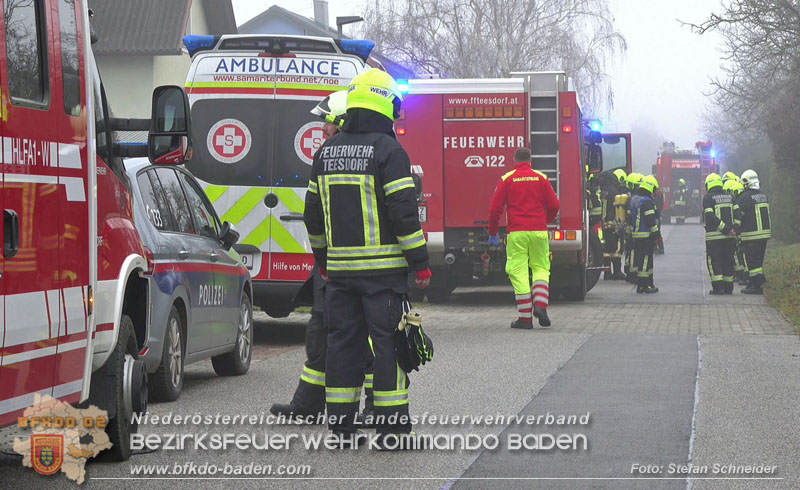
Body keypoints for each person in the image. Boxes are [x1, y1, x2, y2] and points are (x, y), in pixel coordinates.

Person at [304, 68, 431, 442]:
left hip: (340, 276)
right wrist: (420, 263)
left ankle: (342, 427)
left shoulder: (325, 152)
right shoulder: (390, 151)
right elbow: (403, 214)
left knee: (342, 345)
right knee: (388, 345)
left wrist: (323, 261)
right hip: (383, 276)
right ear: (385, 103)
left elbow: (313, 215)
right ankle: (392, 431)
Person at [271, 91, 376, 422]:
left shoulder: (364, 156)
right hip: (331, 265)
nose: (322, 130)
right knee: (320, 331)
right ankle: (309, 403)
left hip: (358, 267)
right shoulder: (331, 156)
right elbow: (315, 213)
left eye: (328, 123)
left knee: (363, 338)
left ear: (343, 122)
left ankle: (375, 405)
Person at [488, 147, 560, 328]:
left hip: (517, 232)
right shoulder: (541, 178)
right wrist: (545, 219)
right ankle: (541, 305)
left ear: (515, 160)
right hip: (539, 232)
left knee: (518, 271)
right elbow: (554, 204)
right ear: (530, 160)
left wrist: (493, 233)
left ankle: (525, 318)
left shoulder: (508, 179)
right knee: (541, 267)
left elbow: (494, 209)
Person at [734, 169, 771, 294]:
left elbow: (739, 217)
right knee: (758, 261)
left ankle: (755, 286)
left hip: (751, 235)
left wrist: (735, 230)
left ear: (746, 183)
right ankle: (755, 283)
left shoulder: (744, 198)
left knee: (751, 261)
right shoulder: (763, 195)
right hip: (764, 235)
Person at [702, 173, 736, 295]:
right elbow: (737, 213)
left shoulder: (708, 198)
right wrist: (734, 230)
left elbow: (709, 216)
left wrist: (724, 228)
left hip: (714, 237)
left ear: (709, 185)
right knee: (728, 260)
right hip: (730, 237)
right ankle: (728, 288)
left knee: (714, 261)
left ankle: (718, 288)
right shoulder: (730, 196)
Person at [629, 175, 659, 293]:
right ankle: (644, 286)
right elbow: (651, 220)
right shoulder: (647, 201)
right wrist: (658, 236)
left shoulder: (634, 199)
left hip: (636, 235)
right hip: (646, 235)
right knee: (646, 260)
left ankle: (648, 284)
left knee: (641, 259)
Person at [601, 169, 628, 280]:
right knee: (617, 248)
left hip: (604, 223)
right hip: (613, 223)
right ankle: (617, 271)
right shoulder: (615, 192)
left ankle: (607, 272)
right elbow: (618, 208)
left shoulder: (604, 190)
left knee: (607, 249)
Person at [624, 172, 644, 282]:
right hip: (632, 229)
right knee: (633, 251)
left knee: (629, 251)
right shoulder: (633, 199)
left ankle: (628, 271)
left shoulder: (629, 198)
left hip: (628, 229)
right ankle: (632, 274)